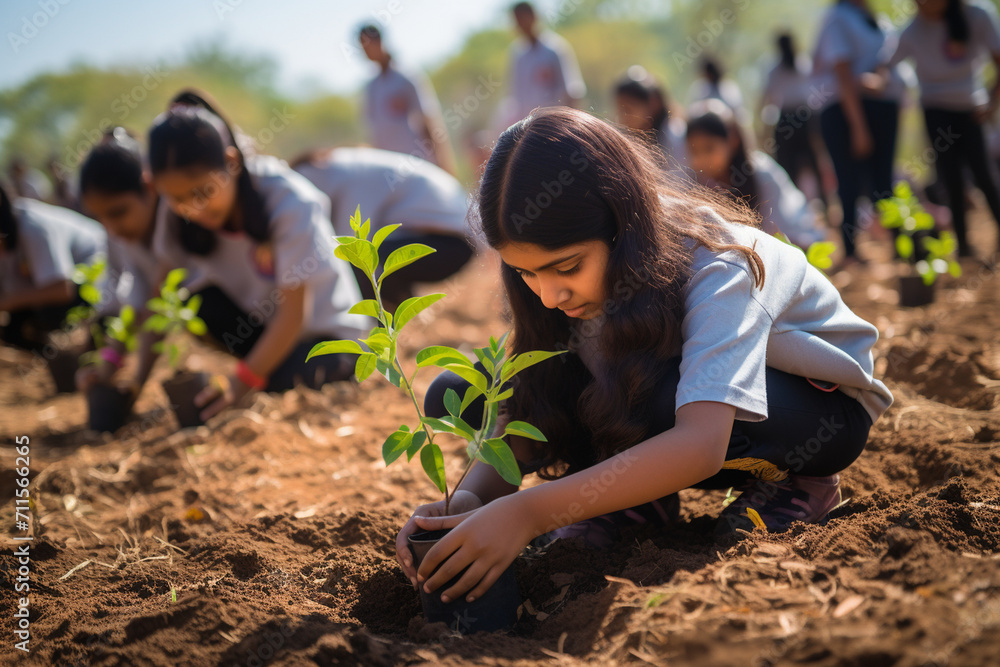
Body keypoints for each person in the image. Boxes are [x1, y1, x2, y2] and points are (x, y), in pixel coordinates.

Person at [393, 108, 892, 605]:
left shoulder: (720, 263)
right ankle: (636, 499)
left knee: (658, 395)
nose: (548, 295)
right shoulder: (558, 288)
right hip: (664, 396)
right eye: (526, 273)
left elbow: (699, 444)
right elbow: (529, 409)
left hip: (813, 413)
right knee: (463, 394)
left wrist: (529, 512)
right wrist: (471, 500)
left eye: (566, 267)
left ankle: (797, 485)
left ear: (620, 226)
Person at [146, 90, 368, 421]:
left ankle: (267, 375)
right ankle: (266, 372)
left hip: (325, 339)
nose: (192, 207)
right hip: (266, 334)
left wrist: (241, 382)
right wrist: (124, 374)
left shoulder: (290, 200)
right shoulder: (174, 210)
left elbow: (294, 316)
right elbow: (160, 295)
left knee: (297, 378)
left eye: (202, 192)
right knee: (197, 301)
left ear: (232, 164)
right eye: (177, 199)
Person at [881, 0, 1000, 259]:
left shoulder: (978, 15)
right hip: (935, 110)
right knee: (950, 178)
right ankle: (965, 247)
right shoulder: (912, 30)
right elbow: (886, 64)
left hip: (972, 110)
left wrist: (992, 103)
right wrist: (875, 79)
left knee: (984, 175)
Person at [291, 146, 474, 306]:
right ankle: (400, 311)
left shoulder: (346, 172)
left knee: (360, 262)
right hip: (452, 239)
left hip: (451, 245)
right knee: (366, 260)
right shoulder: (346, 165)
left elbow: (351, 245)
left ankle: (382, 323)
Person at [813, 0, 905, 262]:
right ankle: (851, 252)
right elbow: (843, 73)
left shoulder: (877, 22)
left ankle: (900, 248)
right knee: (848, 181)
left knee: (884, 180)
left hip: (882, 107)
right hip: (845, 109)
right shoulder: (837, 18)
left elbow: (887, 64)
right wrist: (858, 127)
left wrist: (881, 79)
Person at [75, 128, 163, 393]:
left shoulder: (179, 223)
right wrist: (108, 365)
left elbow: (156, 306)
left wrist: (137, 380)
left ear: (149, 188)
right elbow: (136, 306)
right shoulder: (124, 239)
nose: (112, 228)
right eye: (102, 217)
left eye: (118, 212)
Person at [686, 100, 826, 249]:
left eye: (709, 149)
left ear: (733, 140)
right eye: (694, 151)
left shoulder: (760, 171)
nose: (701, 159)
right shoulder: (699, 181)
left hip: (787, 238)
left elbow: (779, 230)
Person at [0, 181, 106, 351]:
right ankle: (50, 357)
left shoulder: (33, 227)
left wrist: (9, 301)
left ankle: (73, 351)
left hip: (99, 271)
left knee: (49, 313)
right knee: (12, 330)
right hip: (62, 282)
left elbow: (62, 290)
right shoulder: (9, 230)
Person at [358, 24, 456, 176]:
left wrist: (444, 163)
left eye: (367, 44)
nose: (365, 51)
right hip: (391, 169)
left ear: (378, 42)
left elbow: (429, 120)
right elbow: (373, 130)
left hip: (419, 163)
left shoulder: (406, 76)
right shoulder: (372, 87)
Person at [760, 32, 829, 213]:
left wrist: (764, 130)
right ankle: (821, 209)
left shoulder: (776, 69)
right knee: (811, 163)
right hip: (804, 118)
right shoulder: (803, 64)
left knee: (787, 167)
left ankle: (794, 210)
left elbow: (766, 99)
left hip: (787, 121)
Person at [506, 2, 586, 122]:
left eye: (522, 18)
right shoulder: (518, 54)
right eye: (517, 20)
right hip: (528, 127)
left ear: (534, 17)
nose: (520, 24)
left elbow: (572, 92)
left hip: (555, 124)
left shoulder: (555, 49)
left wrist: (573, 124)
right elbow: (516, 97)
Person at [614, 66, 690, 174]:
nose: (623, 116)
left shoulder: (675, 134)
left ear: (653, 105)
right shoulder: (627, 137)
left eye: (628, 109)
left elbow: (680, 179)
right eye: (619, 110)